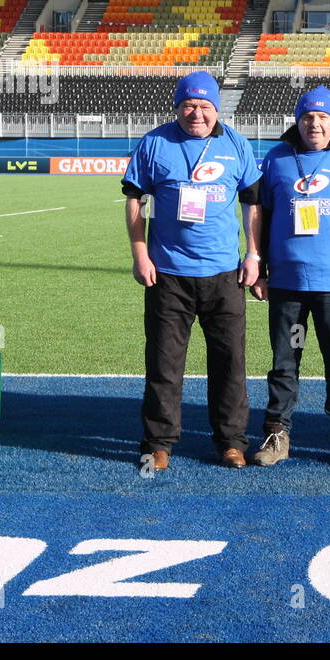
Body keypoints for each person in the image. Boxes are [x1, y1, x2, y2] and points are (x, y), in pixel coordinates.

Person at [121, 70, 263, 471]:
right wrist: (139, 254)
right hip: (167, 274)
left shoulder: (236, 144)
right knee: (164, 364)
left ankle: (231, 442)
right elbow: (135, 202)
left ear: (216, 108)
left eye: (204, 106)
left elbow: (252, 204)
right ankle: (159, 443)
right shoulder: (154, 143)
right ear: (177, 106)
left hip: (224, 275)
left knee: (230, 364)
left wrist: (254, 255)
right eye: (189, 105)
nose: (196, 113)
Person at [249, 86, 330, 467]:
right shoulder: (277, 159)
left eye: (323, 117)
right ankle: (277, 435)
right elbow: (263, 218)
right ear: (298, 120)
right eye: (308, 117)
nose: (315, 124)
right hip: (288, 287)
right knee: (286, 361)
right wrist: (261, 269)